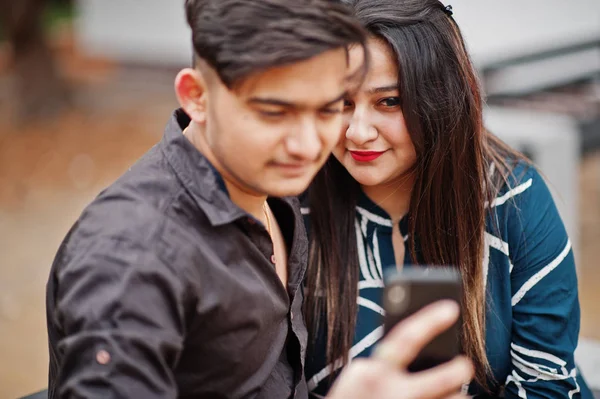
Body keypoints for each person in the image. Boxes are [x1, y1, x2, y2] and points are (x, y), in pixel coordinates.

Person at [45, 0, 474, 398]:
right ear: (197, 96)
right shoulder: (131, 258)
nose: (308, 146)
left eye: (329, 109)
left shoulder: (271, 190)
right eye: (274, 112)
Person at [303, 0, 593, 398]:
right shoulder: (293, 201)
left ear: (438, 98)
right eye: (341, 102)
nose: (357, 131)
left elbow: (548, 386)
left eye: (389, 101)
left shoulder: (514, 201)